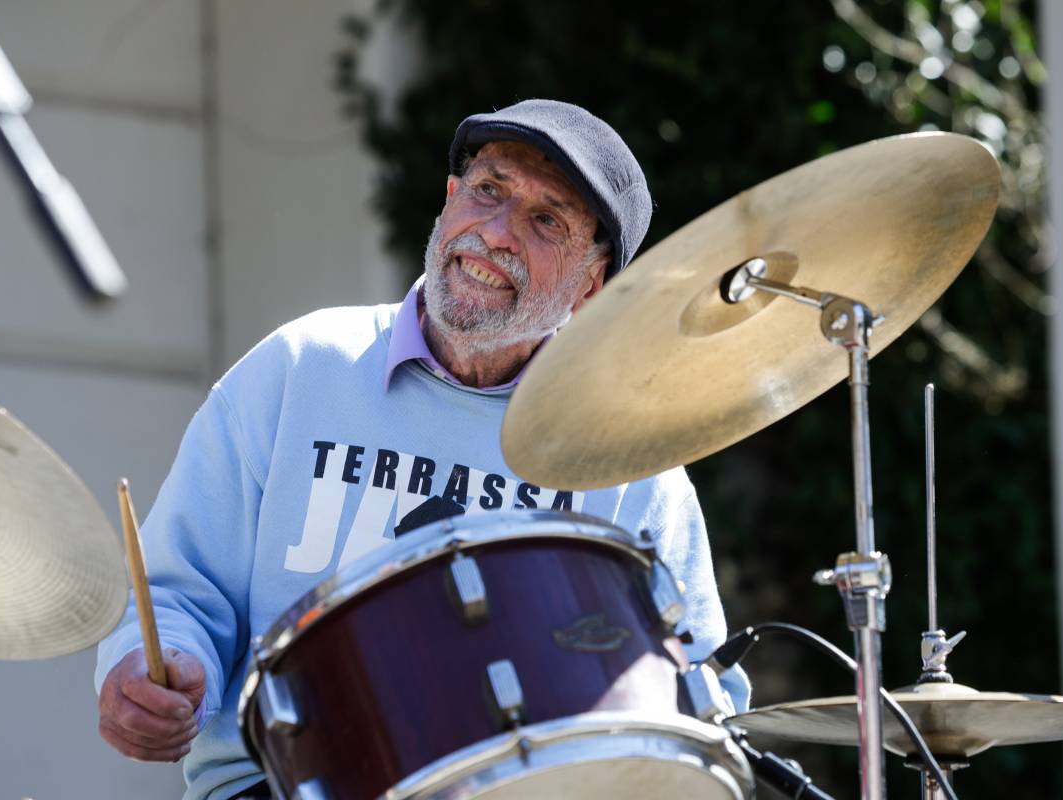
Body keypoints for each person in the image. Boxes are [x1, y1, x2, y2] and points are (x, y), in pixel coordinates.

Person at [95, 99, 748, 800]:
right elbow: (175, 592)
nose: (495, 233)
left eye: (546, 221)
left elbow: (701, 693)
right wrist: (154, 667)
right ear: (448, 201)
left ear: (591, 286)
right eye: (488, 190)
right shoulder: (298, 370)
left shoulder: (630, 460)